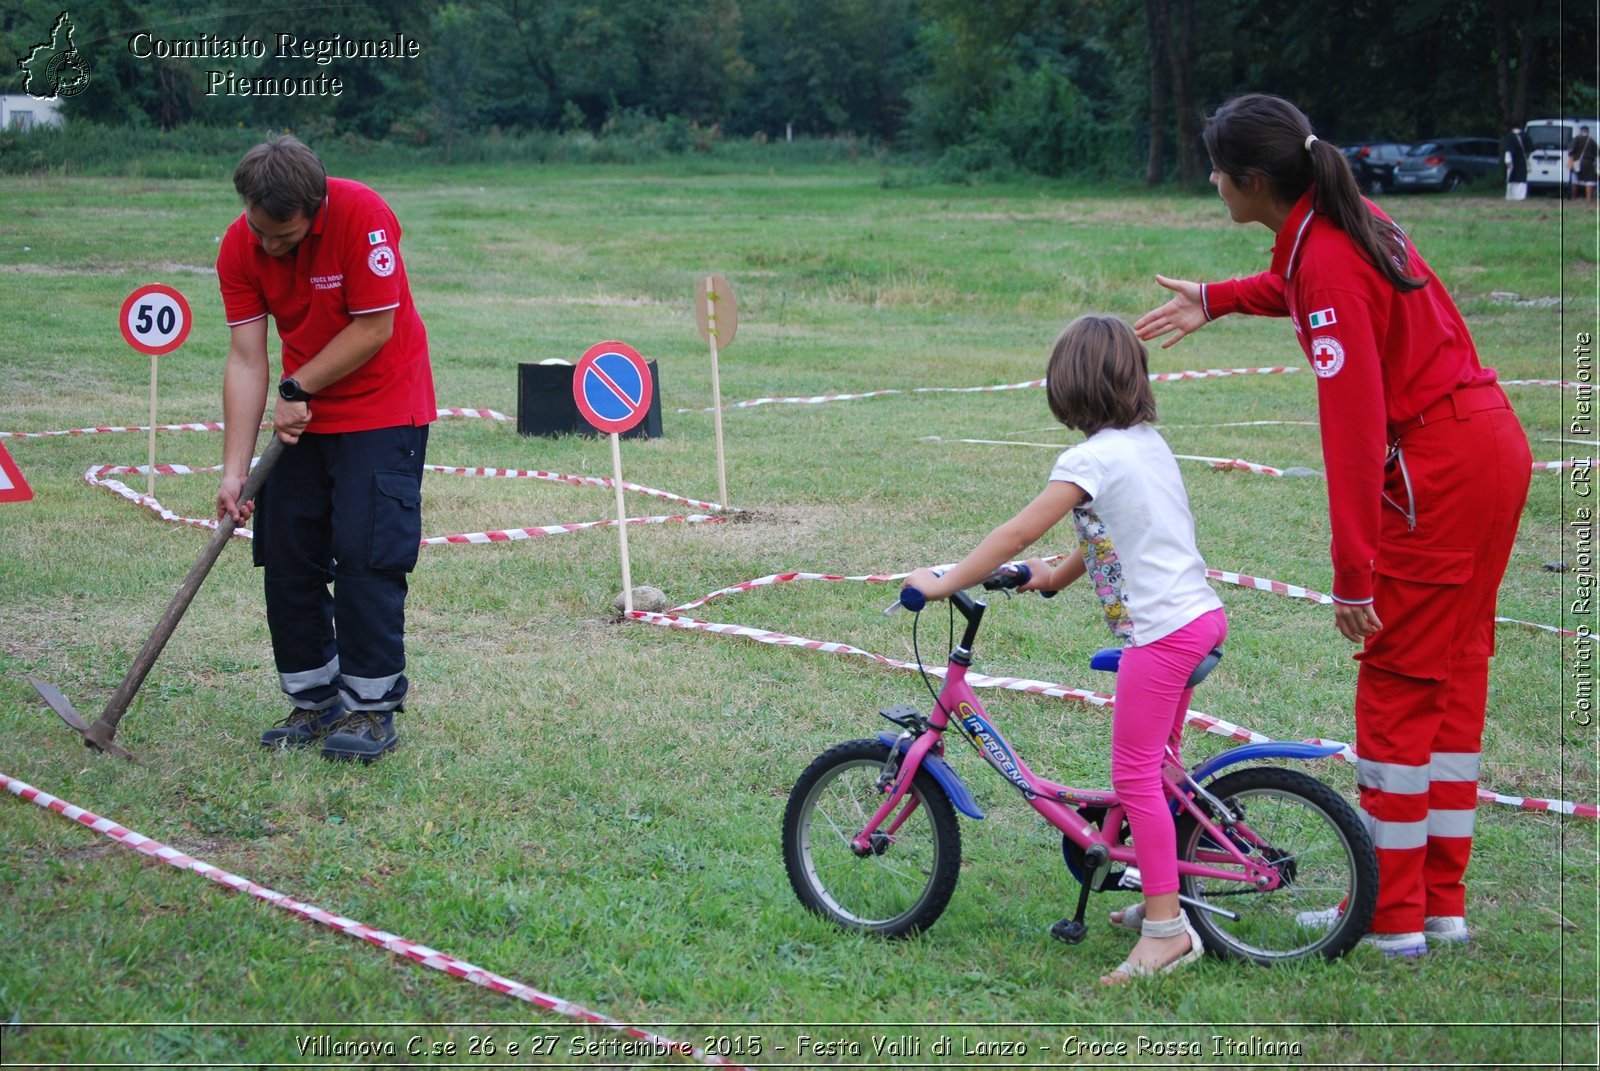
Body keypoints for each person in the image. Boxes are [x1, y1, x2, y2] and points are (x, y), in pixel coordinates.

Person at [1134, 94, 1531, 957]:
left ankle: (1391, 922)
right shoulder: (1337, 219)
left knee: (1394, 689)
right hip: (1490, 446)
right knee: (1451, 683)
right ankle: (1436, 905)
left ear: (1252, 182)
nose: (1210, 182)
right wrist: (1220, 297)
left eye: (1216, 171)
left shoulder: (1332, 258)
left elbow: (1352, 435)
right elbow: (1307, 283)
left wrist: (1355, 572)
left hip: (1440, 469)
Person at [902, 315, 1227, 985]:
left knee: (1134, 773)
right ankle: (1162, 890)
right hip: (1199, 617)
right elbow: (1113, 527)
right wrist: (1053, 576)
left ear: (1070, 386)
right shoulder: (1145, 443)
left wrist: (945, 581)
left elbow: (1019, 530)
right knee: (1159, 765)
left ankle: (1167, 931)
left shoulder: (1088, 458)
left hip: (1160, 635)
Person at [215, 135, 436, 763]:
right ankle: (314, 701)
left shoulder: (363, 214)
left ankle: (370, 709)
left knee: (366, 552)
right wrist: (234, 472)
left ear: (315, 209)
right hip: (302, 415)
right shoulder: (242, 243)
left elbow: (374, 327)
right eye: (258, 229)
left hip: (383, 405)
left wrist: (298, 385)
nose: (267, 246)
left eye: (281, 236)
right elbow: (245, 356)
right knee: (288, 552)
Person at [1569, 125, 1597, 202]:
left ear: (1580, 131)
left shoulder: (1576, 139)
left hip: (1576, 162)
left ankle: (1573, 198)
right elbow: (1597, 153)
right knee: (1589, 181)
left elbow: (1570, 151)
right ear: (1588, 132)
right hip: (1588, 162)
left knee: (1575, 181)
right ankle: (1589, 199)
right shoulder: (1591, 141)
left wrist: (1571, 161)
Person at [1503, 123, 1529, 201]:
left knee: (1511, 178)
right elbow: (1530, 148)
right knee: (1522, 178)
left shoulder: (1510, 136)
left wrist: (1507, 160)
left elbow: (1508, 150)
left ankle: (1510, 196)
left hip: (1512, 160)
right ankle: (1521, 196)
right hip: (1522, 160)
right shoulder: (1525, 135)